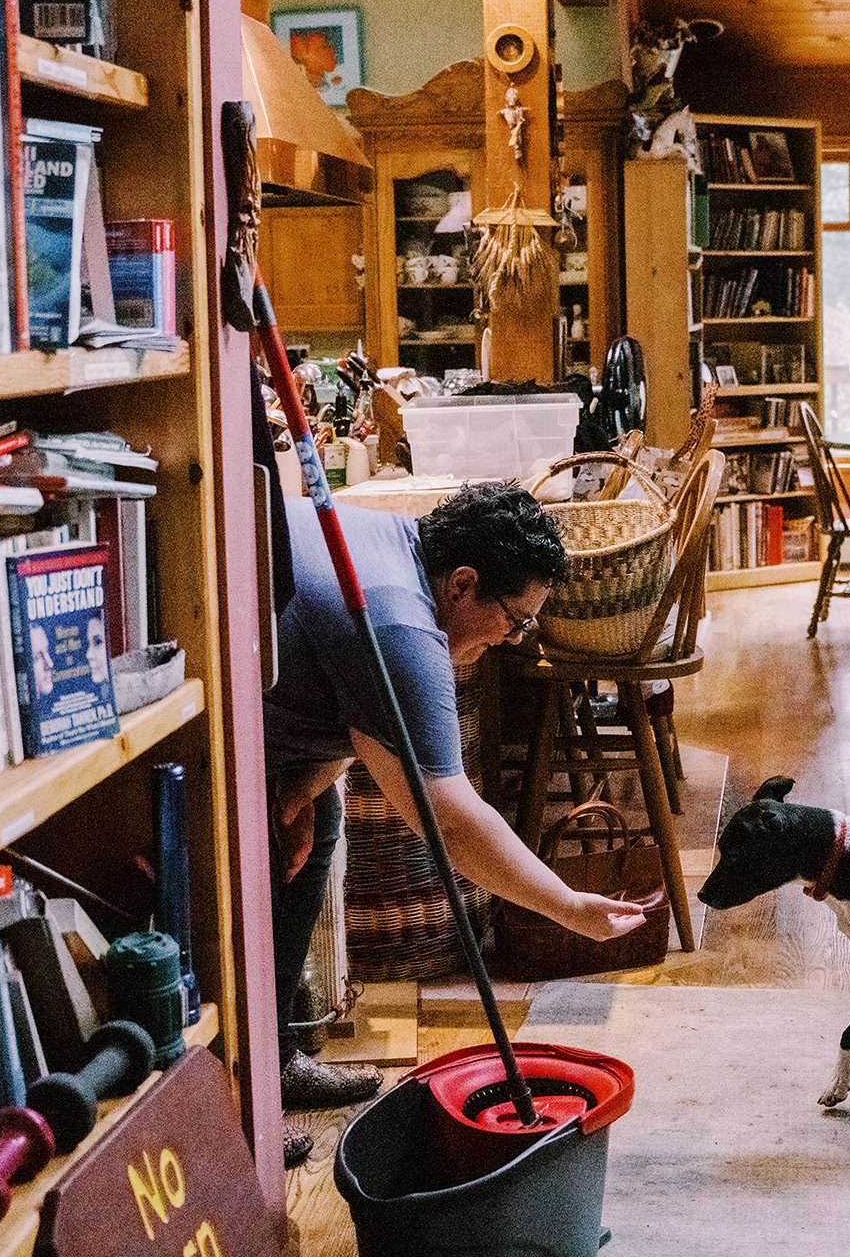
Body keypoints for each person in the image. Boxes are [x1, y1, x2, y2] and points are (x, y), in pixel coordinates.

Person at [264, 480, 646, 1165]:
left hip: (259, 704)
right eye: (515, 619)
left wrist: (297, 789)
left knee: (318, 822)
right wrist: (567, 907)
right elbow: (450, 820)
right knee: (242, 879)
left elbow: (358, 701)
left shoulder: (391, 543)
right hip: (198, 723)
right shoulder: (402, 625)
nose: (512, 639)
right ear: (464, 582)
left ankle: (274, 1055)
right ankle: (239, 1109)